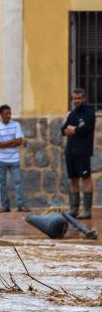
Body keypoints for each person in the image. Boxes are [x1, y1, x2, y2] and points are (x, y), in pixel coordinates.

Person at [62, 88, 96, 219]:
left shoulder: (89, 112)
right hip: (70, 151)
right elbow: (63, 129)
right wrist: (70, 130)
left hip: (83, 151)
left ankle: (87, 211)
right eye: (74, 98)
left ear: (84, 98)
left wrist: (74, 129)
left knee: (86, 179)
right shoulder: (72, 114)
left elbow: (87, 128)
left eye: (78, 98)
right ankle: (73, 209)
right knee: (73, 179)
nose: (76, 101)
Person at [0, 104, 28, 213]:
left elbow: (20, 141)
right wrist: (12, 141)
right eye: (6, 114)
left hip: (14, 159)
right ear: (1, 115)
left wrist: (6, 143)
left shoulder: (16, 125)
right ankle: (5, 206)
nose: (9, 115)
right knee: (2, 184)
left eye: (10, 113)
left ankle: (21, 205)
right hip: (1, 159)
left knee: (17, 182)